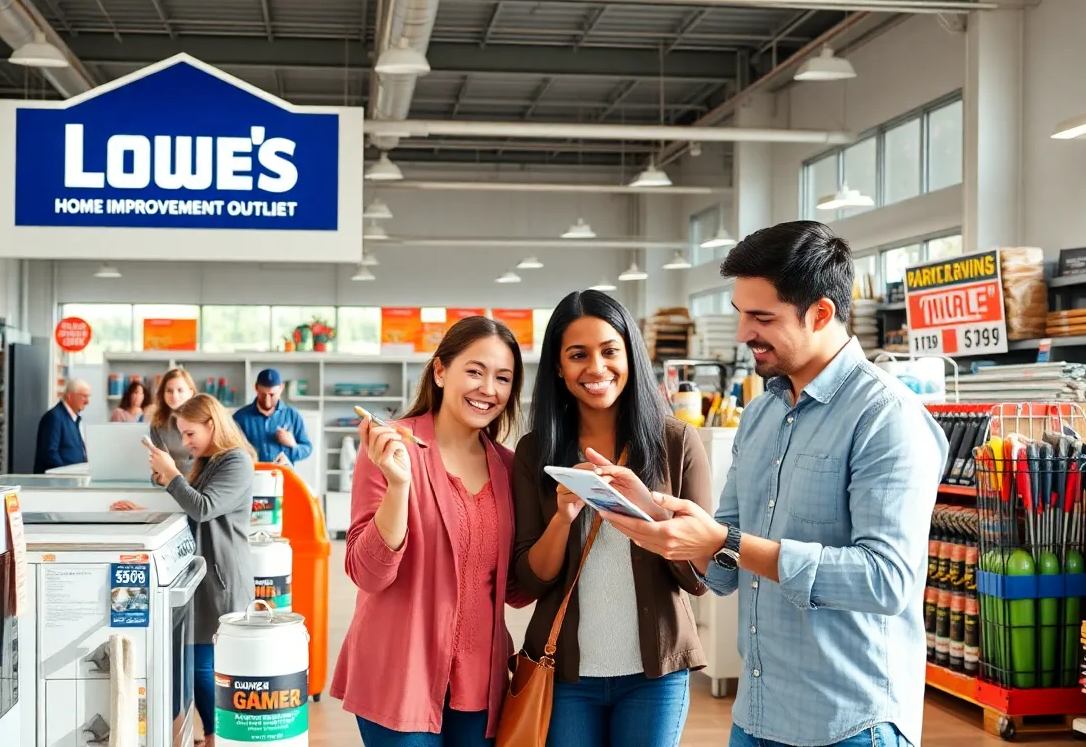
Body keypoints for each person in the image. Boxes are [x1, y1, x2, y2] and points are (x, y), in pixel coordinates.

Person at [594, 221, 946, 747]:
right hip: (759, 716)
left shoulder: (886, 417)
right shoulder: (760, 417)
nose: (743, 334)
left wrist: (724, 542)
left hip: (849, 724)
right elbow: (726, 568)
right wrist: (661, 519)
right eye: (741, 314)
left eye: (762, 317)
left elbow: (886, 580)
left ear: (821, 313)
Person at [511, 290, 712, 747]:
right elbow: (530, 579)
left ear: (631, 356)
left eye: (609, 351)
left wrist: (653, 512)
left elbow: (700, 578)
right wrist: (563, 517)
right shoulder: (535, 452)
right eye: (578, 355)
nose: (596, 368)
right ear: (558, 368)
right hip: (564, 673)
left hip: (654, 675)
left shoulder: (677, 442)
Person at [331, 316, 532, 746]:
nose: (488, 389)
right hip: (398, 674)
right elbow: (368, 574)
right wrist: (400, 486)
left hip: (481, 684)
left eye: (503, 378)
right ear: (440, 371)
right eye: (474, 371)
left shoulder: (510, 469)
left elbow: (514, 589)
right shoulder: (391, 448)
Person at [144, 394, 255, 747]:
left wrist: (173, 474)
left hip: (221, 578)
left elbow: (204, 508)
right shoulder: (211, 461)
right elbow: (190, 504)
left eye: (190, 433)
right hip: (203, 574)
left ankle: (213, 735)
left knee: (203, 666)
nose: (186, 442)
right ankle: (209, 732)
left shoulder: (237, 462)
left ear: (211, 424)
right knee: (196, 663)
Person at [232, 369, 312, 466]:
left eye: (272, 395)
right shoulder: (240, 417)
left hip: (284, 476)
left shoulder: (293, 415)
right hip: (253, 477)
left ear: (281, 388)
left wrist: (292, 444)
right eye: (263, 394)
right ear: (256, 388)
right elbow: (230, 451)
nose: (267, 400)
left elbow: (307, 450)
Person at [149, 368, 197, 480]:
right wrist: (158, 475)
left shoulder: (202, 420)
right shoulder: (157, 424)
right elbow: (160, 465)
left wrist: (170, 471)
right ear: (163, 394)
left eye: (180, 390)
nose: (174, 396)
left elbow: (205, 463)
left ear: (191, 392)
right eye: (169, 391)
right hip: (170, 485)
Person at [34, 379, 90, 474]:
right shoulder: (54, 417)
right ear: (70, 396)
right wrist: (66, 473)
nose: (87, 402)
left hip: (71, 481)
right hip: (57, 483)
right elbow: (49, 453)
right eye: (84, 396)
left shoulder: (73, 419)